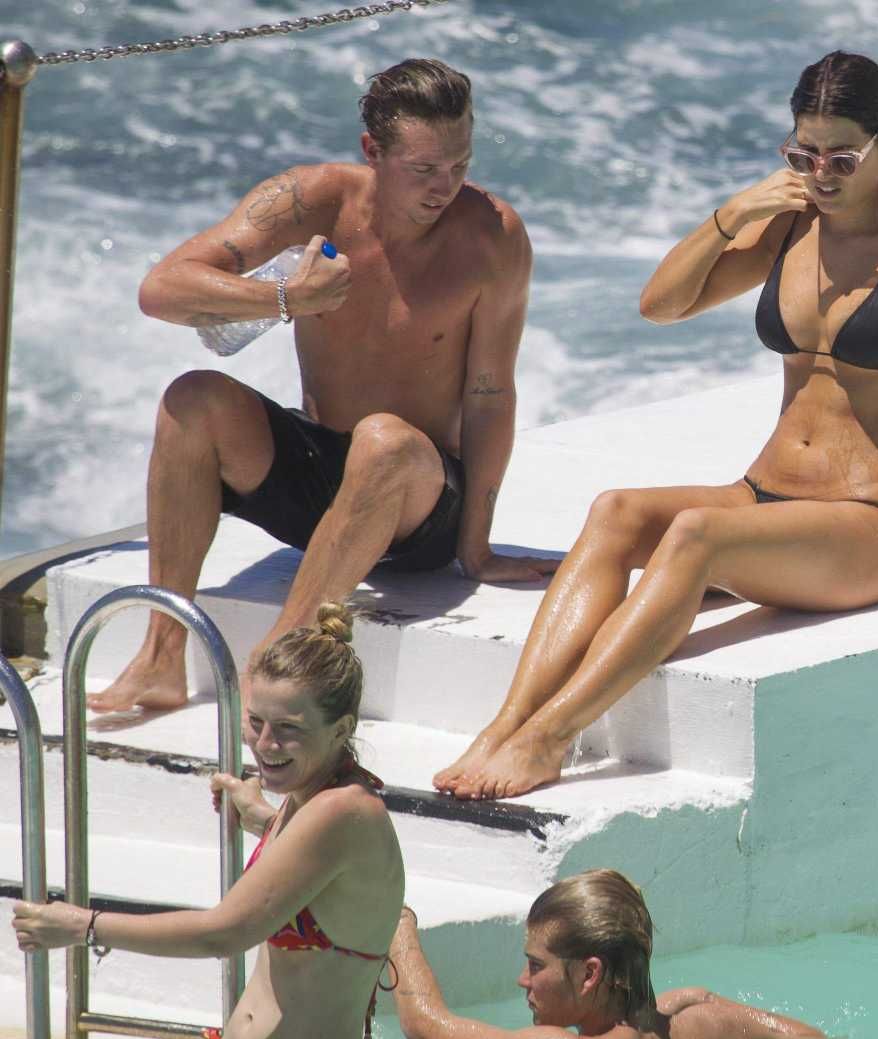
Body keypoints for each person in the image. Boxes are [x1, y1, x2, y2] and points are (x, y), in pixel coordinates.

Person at [434, 51, 878, 799]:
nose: (821, 173)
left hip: (868, 523)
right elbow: (660, 305)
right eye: (804, 154)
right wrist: (734, 215)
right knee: (615, 511)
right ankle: (505, 724)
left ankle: (548, 740)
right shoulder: (791, 230)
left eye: (842, 157)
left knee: (695, 533)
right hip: (763, 495)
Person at [88, 57, 556, 714]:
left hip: (419, 502)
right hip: (322, 481)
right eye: (424, 168)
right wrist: (286, 297)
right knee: (193, 399)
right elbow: (161, 289)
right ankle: (161, 657)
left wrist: (475, 547)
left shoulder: (494, 236)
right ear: (373, 151)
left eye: (460, 164)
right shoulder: (313, 199)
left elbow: (490, 394)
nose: (444, 186)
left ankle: (276, 661)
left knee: (384, 440)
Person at [14, 603, 405, 1039]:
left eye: (288, 729)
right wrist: (264, 819)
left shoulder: (340, 811)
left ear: (342, 729)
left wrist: (84, 926)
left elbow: (223, 934)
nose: (265, 744)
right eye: (256, 722)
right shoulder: (312, 799)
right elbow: (316, 874)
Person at [392, 869, 825, 1039]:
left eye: (536, 966)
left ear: (590, 974)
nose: (522, 980)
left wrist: (395, 919)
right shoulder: (700, 1022)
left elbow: (426, 1029)